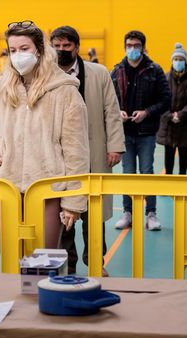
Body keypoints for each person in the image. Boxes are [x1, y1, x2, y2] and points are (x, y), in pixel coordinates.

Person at [0, 21, 90, 248]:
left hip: (47, 190)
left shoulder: (65, 92)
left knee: (42, 262)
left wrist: (73, 202)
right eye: (12, 50)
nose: (18, 55)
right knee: (9, 260)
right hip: (5, 187)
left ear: (40, 50)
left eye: (24, 49)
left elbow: (76, 151)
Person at [51, 26, 125, 275]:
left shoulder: (99, 73)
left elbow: (111, 112)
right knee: (65, 214)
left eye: (66, 46)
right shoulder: (45, 75)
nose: (61, 51)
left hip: (93, 152)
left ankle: (95, 261)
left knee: (93, 215)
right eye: (56, 46)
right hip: (59, 158)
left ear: (77, 47)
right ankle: (68, 265)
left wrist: (114, 146)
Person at [110, 30, 171, 231]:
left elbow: (165, 100)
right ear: (124, 47)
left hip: (146, 132)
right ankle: (128, 213)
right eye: (129, 45)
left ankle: (151, 214)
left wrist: (146, 112)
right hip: (124, 133)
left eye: (136, 45)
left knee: (146, 172)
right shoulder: (117, 70)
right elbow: (108, 99)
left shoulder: (155, 70)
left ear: (143, 48)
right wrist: (117, 111)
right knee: (128, 173)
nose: (132, 49)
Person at [156, 43, 187, 176]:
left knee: (184, 156)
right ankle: (168, 181)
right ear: (172, 60)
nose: (178, 62)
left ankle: (182, 182)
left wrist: (181, 115)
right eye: (176, 59)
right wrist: (170, 116)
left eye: (181, 59)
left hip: (185, 124)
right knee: (168, 156)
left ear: (185, 61)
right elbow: (160, 99)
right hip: (169, 125)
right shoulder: (165, 77)